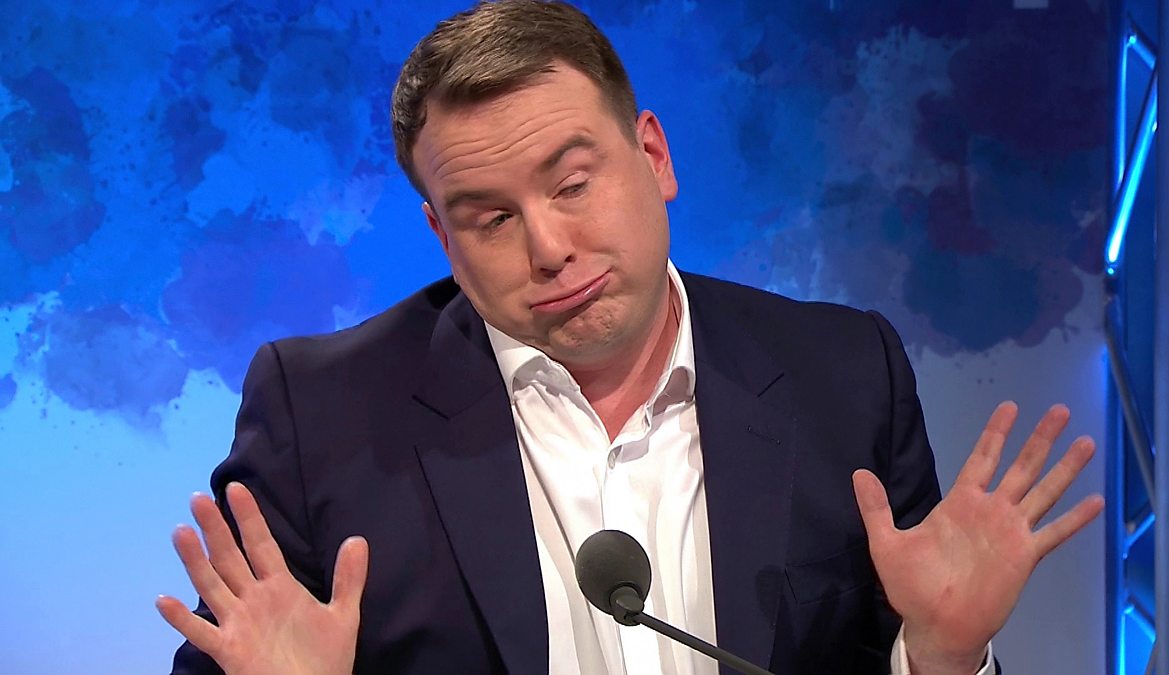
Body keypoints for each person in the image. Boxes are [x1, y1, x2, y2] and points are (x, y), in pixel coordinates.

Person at [157, 1, 1104, 673]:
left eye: (573, 183)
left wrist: (942, 656)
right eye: (490, 219)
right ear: (443, 236)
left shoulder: (845, 375)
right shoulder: (323, 414)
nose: (550, 248)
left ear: (654, 156)